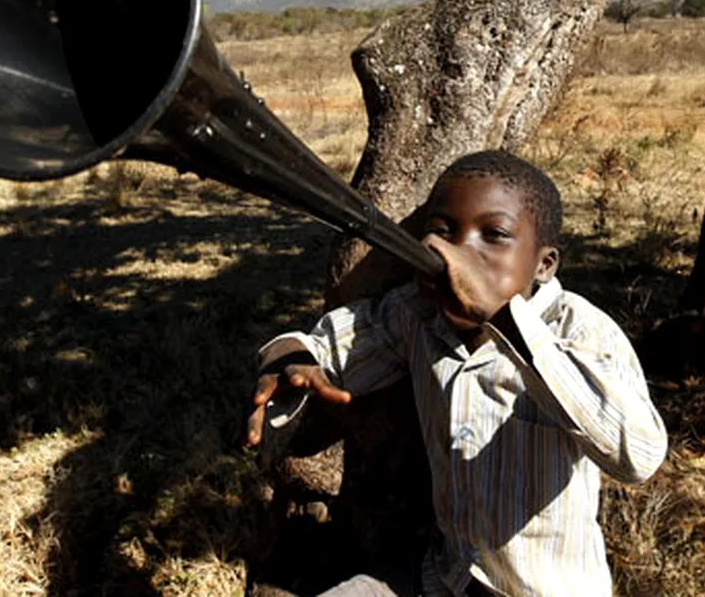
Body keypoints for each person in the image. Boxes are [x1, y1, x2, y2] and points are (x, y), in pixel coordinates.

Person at [245, 150, 668, 597]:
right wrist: (294, 354)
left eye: (494, 235)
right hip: (443, 577)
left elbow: (638, 455)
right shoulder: (419, 314)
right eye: (442, 232)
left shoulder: (580, 331)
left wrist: (502, 316)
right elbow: (352, 333)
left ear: (544, 264)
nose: (458, 254)